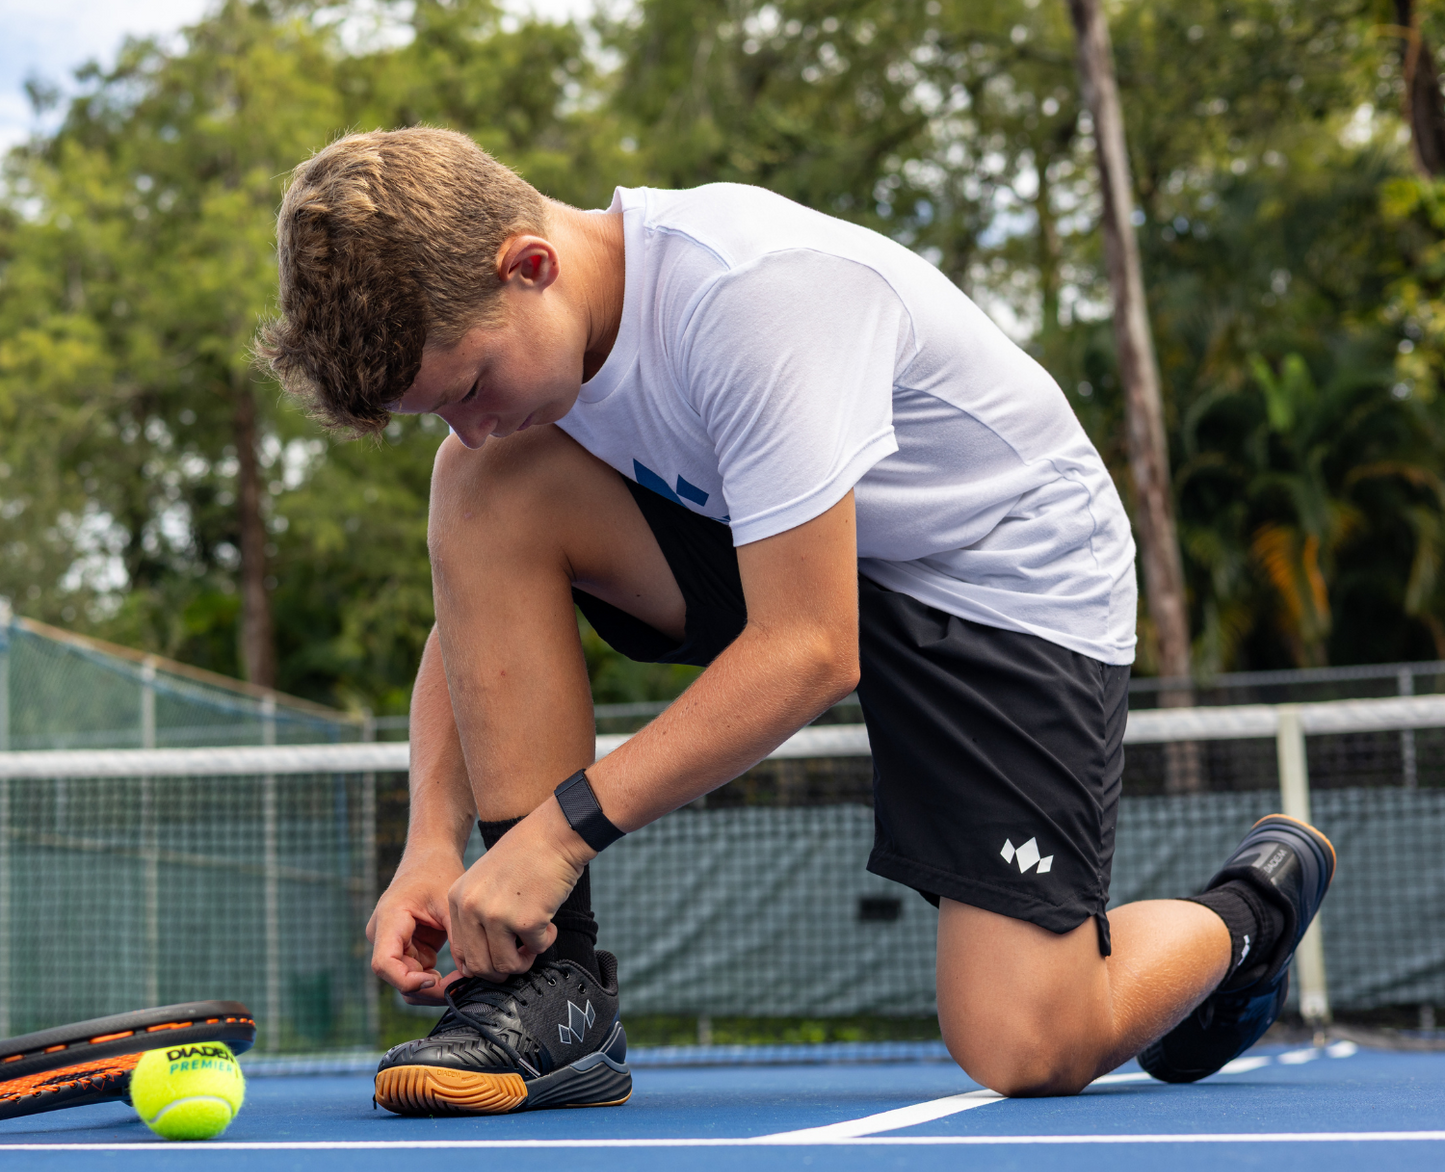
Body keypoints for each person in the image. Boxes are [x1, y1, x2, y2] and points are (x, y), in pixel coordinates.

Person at [257, 126, 1334, 1116]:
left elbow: (809, 647)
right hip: (780, 543)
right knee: (484, 491)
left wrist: (554, 834)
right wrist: (431, 843)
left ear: (529, 264)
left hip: (1000, 581)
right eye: (441, 408)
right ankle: (552, 988)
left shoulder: (754, 298)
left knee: (1027, 1042)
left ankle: (1249, 910)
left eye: (472, 385)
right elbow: (472, 602)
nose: (472, 424)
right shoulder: (535, 371)